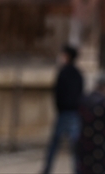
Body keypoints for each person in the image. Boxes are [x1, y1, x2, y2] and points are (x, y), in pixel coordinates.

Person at [42, 44, 84, 174]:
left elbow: (58, 93)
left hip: (64, 112)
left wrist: (60, 107)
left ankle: (47, 170)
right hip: (74, 112)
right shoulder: (78, 73)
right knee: (75, 146)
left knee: (55, 145)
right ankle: (78, 170)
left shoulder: (63, 72)